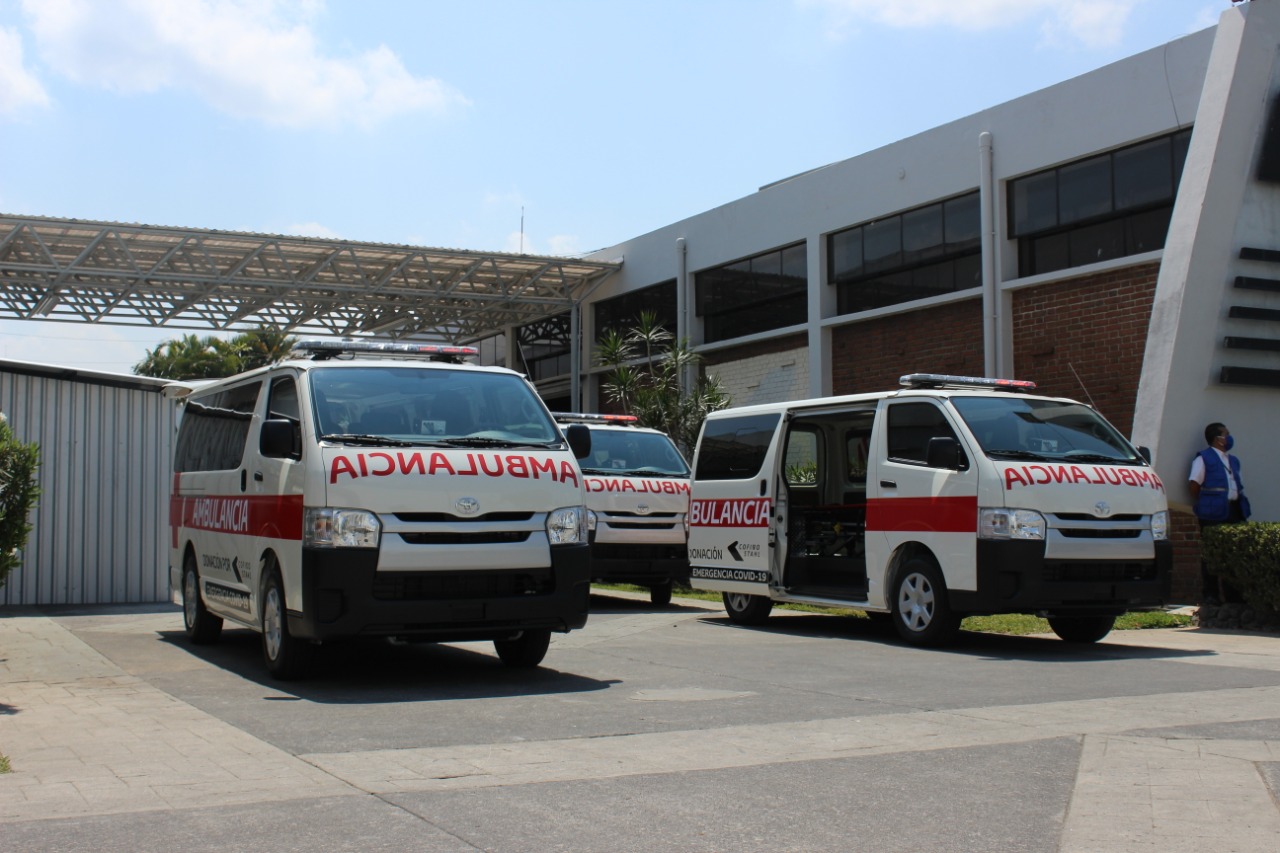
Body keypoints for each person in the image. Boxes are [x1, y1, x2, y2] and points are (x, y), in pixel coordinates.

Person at [1188, 422, 1251, 602]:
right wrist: (1207, 501)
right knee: (1211, 554)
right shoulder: (1203, 458)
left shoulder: (1233, 460)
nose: (1229, 437)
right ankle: (1211, 594)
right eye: (1226, 434)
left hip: (1234, 509)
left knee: (1234, 553)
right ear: (1218, 439)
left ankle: (1234, 596)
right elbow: (1194, 485)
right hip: (1212, 512)